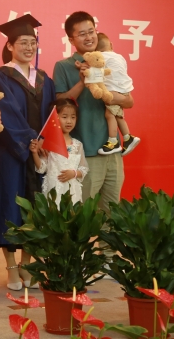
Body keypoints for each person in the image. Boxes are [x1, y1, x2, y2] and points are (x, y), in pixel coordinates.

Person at [0, 14, 56, 291]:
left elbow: (51, 112)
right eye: (23, 42)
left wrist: (44, 142)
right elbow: (7, 112)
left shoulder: (44, 78)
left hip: (39, 152)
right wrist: (29, 140)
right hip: (11, 152)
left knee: (35, 206)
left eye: (32, 42)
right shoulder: (0, 76)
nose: (29, 47)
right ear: (10, 46)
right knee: (11, 206)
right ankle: (11, 268)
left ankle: (27, 265)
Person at [53, 11, 134, 215]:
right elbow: (60, 103)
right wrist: (83, 82)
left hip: (113, 152)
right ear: (71, 39)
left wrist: (110, 96)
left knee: (111, 213)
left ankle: (107, 241)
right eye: (82, 34)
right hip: (85, 153)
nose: (89, 37)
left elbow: (129, 101)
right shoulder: (64, 67)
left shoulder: (108, 62)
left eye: (91, 31)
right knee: (82, 213)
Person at [29, 98, 89, 203]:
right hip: (53, 189)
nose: (69, 121)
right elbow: (42, 168)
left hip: (71, 191)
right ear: (55, 118)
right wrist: (34, 153)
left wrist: (73, 173)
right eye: (64, 117)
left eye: (73, 117)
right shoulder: (48, 144)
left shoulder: (78, 145)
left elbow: (84, 169)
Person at [96, 32, 141, 156]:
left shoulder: (101, 57)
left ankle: (113, 141)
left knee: (109, 114)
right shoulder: (120, 57)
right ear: (111, 45)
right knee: (117, 115)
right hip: (125, 88)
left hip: (113, 90)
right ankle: (128, 137)